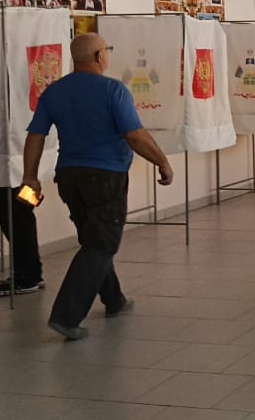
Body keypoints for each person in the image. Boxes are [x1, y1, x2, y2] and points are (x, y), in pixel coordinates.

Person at [21, 33, 174, 340]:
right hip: (106, 178)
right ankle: (66, 316)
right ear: (99, 56)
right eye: (107, 50)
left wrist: (30, 176)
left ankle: (114, 299)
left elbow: (36, 136)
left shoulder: (54, 92)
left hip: (69, 178)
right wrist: (162, 161)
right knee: (101, 244)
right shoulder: (112, 90)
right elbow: (135, 136)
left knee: (94, 238)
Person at [0, 187, 44, 297]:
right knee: (23, 216)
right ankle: (32, 273)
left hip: (10, 182)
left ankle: (25, 278)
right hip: (19, 180)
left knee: (14, 218)